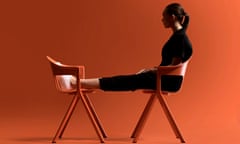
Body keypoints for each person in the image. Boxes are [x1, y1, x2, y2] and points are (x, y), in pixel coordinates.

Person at [71, 3, 192, 92]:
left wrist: (152, 71)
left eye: (164, 16)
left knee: (127, 81)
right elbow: (171, 67)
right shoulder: (178, 36)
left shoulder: (179, 38)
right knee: (129, 80)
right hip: (163, 79)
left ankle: (80, 83)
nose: (162, 19)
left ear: (172, 17)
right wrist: (151, 70)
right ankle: (82, 83)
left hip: (166, 82)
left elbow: (173, 68)